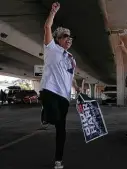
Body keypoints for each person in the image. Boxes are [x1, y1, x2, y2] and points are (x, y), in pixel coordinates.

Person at [40, 2, 80, 169]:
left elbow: (70, 76)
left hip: (64, 96)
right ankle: (46, 114)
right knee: (54, 116)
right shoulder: (51, 48)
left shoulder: (71, 57)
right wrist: (53, 12)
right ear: (58, 39)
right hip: (50, 90)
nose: (67, 39)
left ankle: (58, 160)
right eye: (64, 36)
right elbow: (47, 27)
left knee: (61, 130)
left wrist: (76, 87)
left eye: (69, 37)